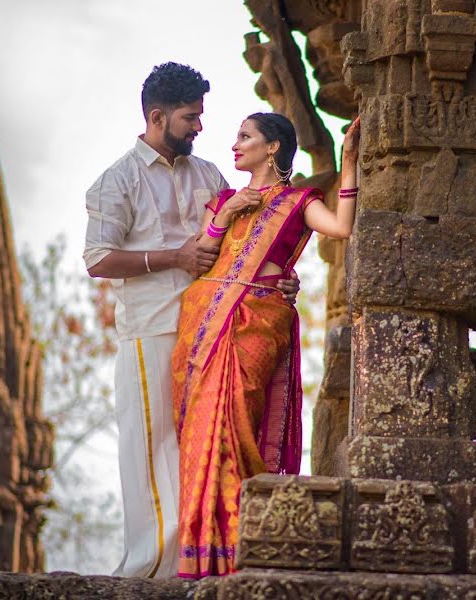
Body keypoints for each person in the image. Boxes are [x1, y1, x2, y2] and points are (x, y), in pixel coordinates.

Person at [82, 63, 299, 579]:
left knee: (202, 446)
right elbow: (97, 260)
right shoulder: (118, 180)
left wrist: (280, 281)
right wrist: (173, 258)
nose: (200, 127)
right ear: (157, 117)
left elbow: (251, 239)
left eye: (200, 116)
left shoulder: (208, 176)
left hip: (215, 331)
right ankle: (147, 569)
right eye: (190, 118)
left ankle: (199, 562)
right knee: (152, 443)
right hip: (152, 328)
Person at [171, 112, 360, 579]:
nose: (234, 145)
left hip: (258, 318)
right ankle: (202, 555)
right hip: (205, 322)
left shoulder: (298, 202)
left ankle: (241, 541)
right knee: (202, 433)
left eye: (244, 137)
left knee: (236, 417)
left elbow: (340, 228)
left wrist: (349, 163)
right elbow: (200, 259)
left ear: (272, 147)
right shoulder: (223, 200)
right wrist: (228, 215)